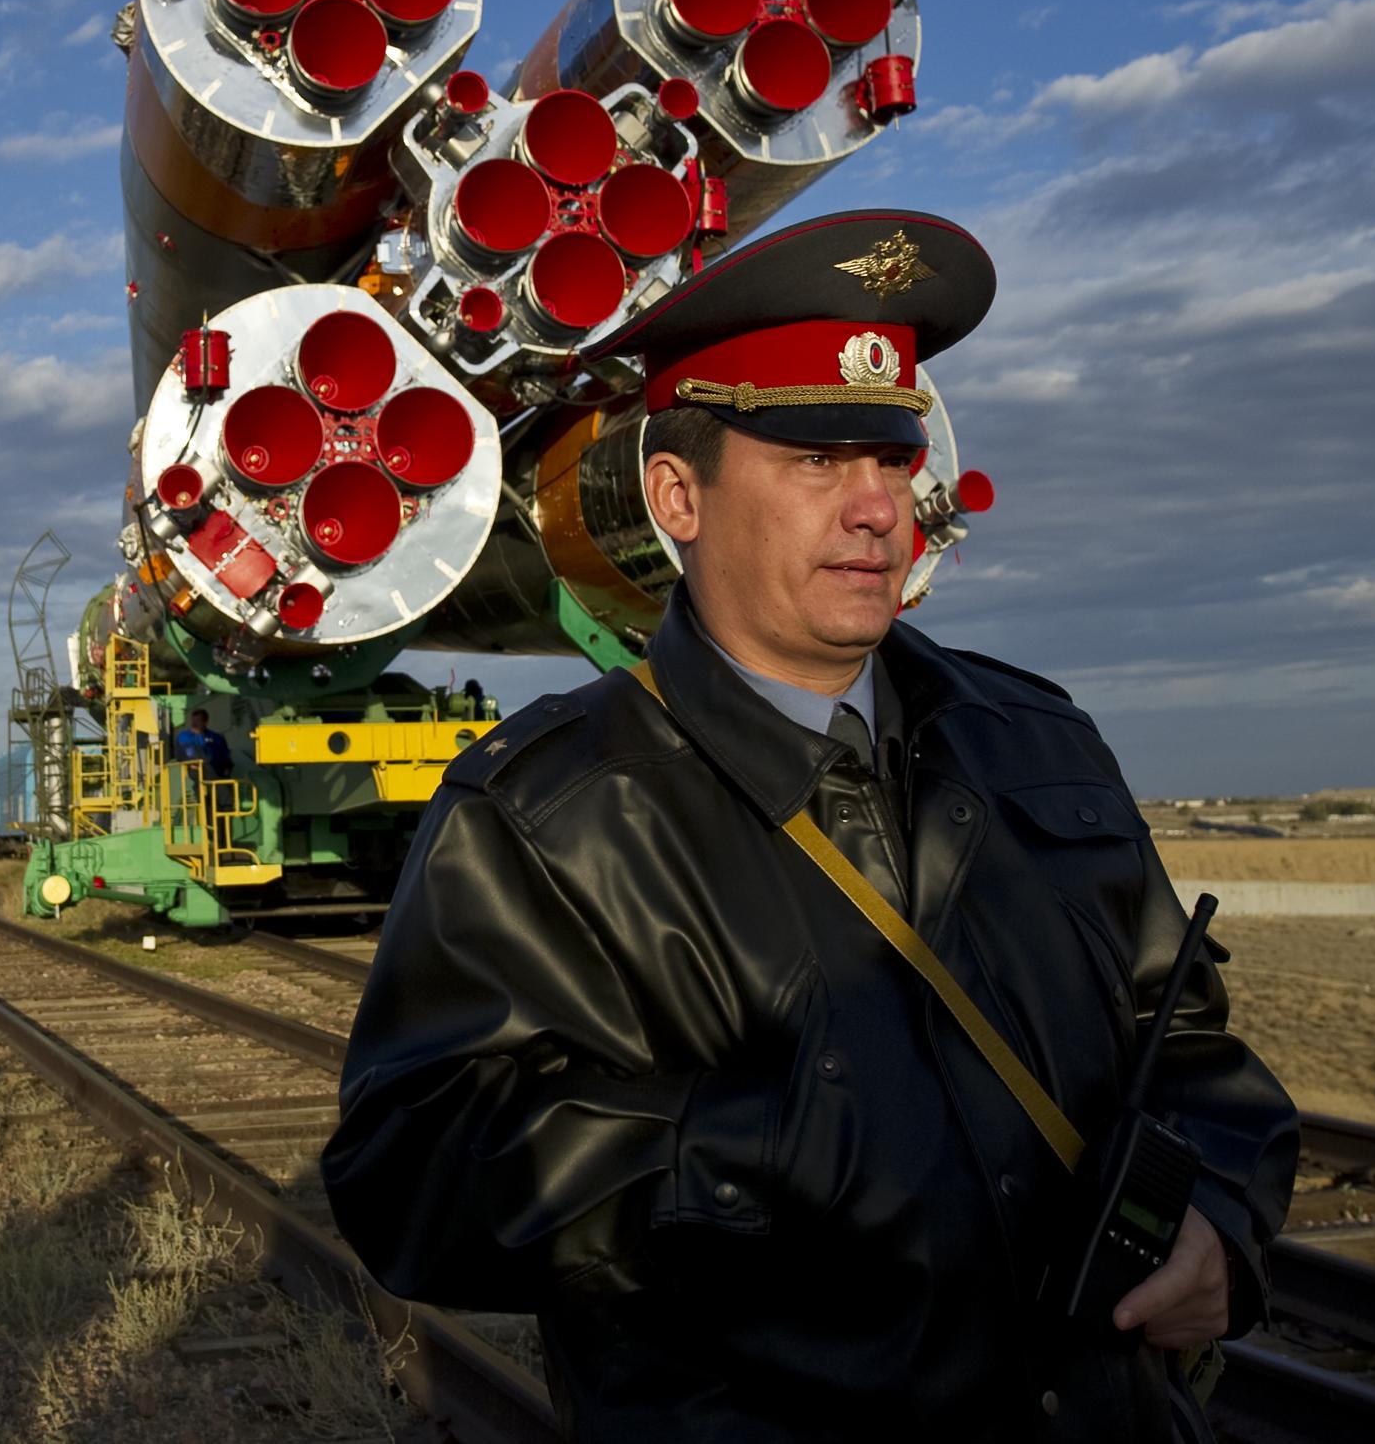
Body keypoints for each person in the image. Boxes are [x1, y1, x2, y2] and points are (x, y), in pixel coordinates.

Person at [322, 211, 1299, 1442]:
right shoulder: (547, 814)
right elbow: (410, 1175)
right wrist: (756, 1149)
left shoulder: (1037, 741)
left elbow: (1193, 1051)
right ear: (678, 494)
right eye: (817, 461)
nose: (879, 510)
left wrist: (1218, 1212)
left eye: (892, 460)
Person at [174, 708, 233, 779]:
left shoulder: (217, 738)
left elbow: (226, 756)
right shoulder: (183, 737)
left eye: (198, 720)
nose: (194, 723)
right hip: (194, 777)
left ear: (205, 722)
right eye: (193, 720)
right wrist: (189, 764)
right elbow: (179, 755)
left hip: (217, 777)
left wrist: (227, 768)